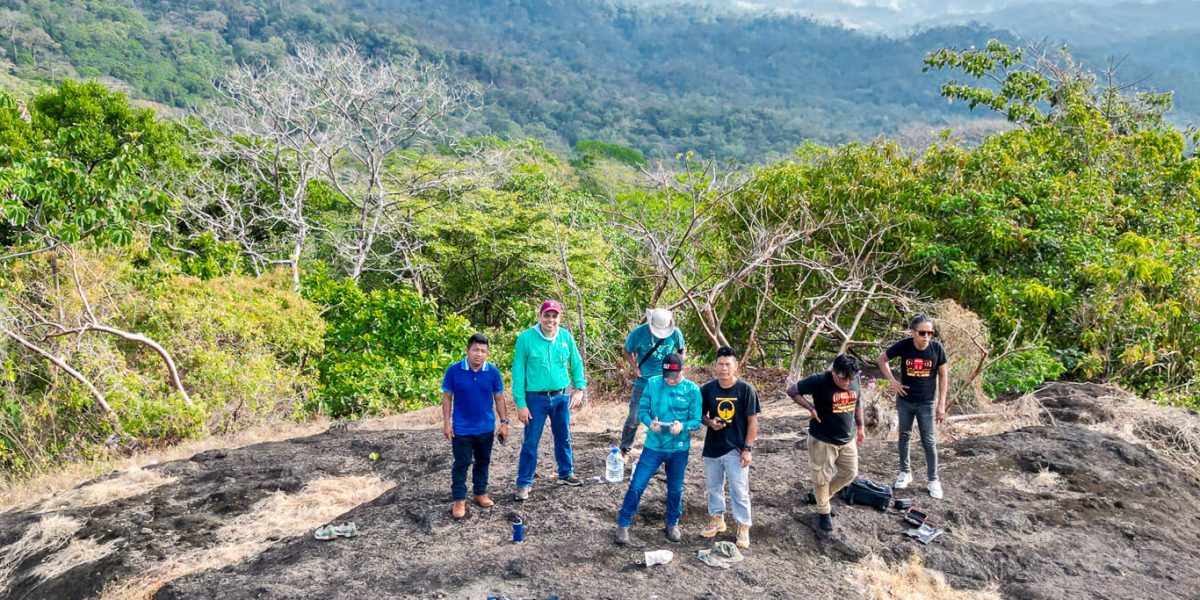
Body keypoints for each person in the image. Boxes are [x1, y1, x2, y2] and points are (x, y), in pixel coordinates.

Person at [614, 353, 701, 545]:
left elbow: (696, 421)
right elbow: (643, 410)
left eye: (674, 375)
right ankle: (623, 523)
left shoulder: (692, 390)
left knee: (675, 489)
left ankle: (672, 523)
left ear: (683, 371)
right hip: (653, 446)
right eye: (666, 375)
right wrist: (648, 422)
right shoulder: (652, 383)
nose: (669, 379)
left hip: (678, 449)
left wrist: (683, 426)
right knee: (637, 484)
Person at [512, 300, 588, 501]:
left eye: (555, 316)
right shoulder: (525, 339)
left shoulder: (565, 337)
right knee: (531, 441)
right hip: (535, 399)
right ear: (540, 316)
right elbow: (518, 372)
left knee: (563, 436)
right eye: (547, 315)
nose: (551, 320)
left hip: (562, 396)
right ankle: (524, 483)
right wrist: (520, 404)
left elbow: (576, 363)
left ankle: (565, 473)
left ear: (559, 318)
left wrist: (579, 388)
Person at [786, 354, 865, 533]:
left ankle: (822, 497)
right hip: (822, 438)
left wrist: (860, 426)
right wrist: (811, 408)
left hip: (847, 437)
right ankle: (823, 511)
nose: (847, 382)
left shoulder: (854, 379)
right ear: (834, 372)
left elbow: (858, 400)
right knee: (821, 477)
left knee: (850, 472)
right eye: (843, 378)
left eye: (850, 379)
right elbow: (792, 391)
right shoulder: (820, 380)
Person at [876, 313, 949, 499]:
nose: (926, 337)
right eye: (922, 333)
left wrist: (941, 404)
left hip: (927, 402)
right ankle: (905, 472)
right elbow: (881, 360)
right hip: (905, 400)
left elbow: (943, 376)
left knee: (929, 441)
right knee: (904, 435)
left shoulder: (937, 348)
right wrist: (893, 382)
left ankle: (933, 480)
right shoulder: (904, 345)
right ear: (913, 332)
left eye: (930, 333)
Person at [441, 333, 509, 519]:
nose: (479, 354)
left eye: (483, 351)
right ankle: (459, 500)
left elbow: (499, 398)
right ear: (468, 350)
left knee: (483, 462)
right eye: (476, 350)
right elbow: (447, 397)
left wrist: (504, 422)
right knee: (461, 464)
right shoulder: (454, 371)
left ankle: (480, 493)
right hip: (462, 429)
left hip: (486, 427)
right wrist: (447, 423)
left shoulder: (493, 372)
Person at [699, 346, 760, 549]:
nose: (723, 368)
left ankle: (743, 526)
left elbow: (753, 421)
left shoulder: (746, 390)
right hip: (713, 447)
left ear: (735, 366)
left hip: (736, 448)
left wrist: (748, 448)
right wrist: (711, 423)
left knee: (739, 488)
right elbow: (700, 416)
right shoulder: (707, 389)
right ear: (715, 366)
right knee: (713, 487)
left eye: (728, 364)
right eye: (720, 364)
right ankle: (717, 520)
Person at [620, 308, 685, 458]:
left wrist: (678, 367)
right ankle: (624, 449)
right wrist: (635, 367)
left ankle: (659, 453)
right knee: (634, 417)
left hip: (665, 382)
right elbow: (627, 350)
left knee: (663, 418)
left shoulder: (675, 333)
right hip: (643, 381)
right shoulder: (638, 333)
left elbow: (681, 350)